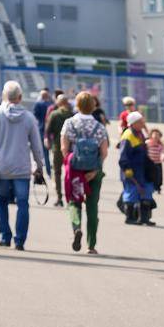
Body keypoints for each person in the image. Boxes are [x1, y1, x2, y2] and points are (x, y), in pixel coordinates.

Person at [0, 81, 46, 251]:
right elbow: (36, 146)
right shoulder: (29, 118)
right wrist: (39, 166)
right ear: (20, 97)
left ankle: (5, 236)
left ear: (4, 96)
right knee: (23, 203)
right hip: (22, 168)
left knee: (1, 200)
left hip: (0, 166)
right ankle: (20, 241)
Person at [60, 90, 109, 254]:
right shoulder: (99, 127)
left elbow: (64, 148)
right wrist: (96, 169)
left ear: (78, 105)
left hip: (75, 169)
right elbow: (104, 151)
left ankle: (76, 228)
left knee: (74, 201)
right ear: (93, 106)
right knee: (92, 206)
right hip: (94, 170)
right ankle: (92, 244)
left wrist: (71, 166)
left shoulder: (69, 123)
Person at [118, 110, 155, 225]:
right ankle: (129, 217)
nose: (142, 124)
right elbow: (123, 156)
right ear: (133, 123)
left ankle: (144, 218)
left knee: (144, 193)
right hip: (131, 171)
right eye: (140, 122)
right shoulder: (128, 136)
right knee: (131, 193)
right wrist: (127, 170)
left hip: (141, 170)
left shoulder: (139, 133)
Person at [44, 94, 71, 206]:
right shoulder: (72, 115)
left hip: (57, 146)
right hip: (70, 148)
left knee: (57, 172)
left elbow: (48, 130)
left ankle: (59, 197)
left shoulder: (54, 114)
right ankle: (70, 198)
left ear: (59, 103)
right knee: (69, 173)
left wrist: (48, 141)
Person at [32, 88, 52, 174]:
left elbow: (35, 116)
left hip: (40, 129)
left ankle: (42, 170)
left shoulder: (38, 104)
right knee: (48, 152)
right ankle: (49, 171)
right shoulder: (51, 105)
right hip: (50, 130)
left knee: (41, 151)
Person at [145, 127, 164, 195]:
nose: (156, 136)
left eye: (158, 135)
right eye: (155, 135)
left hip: (157, 163)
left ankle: (158, 187)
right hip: (149, 163)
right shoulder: (147, 143)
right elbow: (144, 150)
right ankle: (152, 186)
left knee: (159, 176)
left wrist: (163, 156)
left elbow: (163, 151)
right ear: (151, 135)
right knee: (150, 175)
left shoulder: (160, 145)